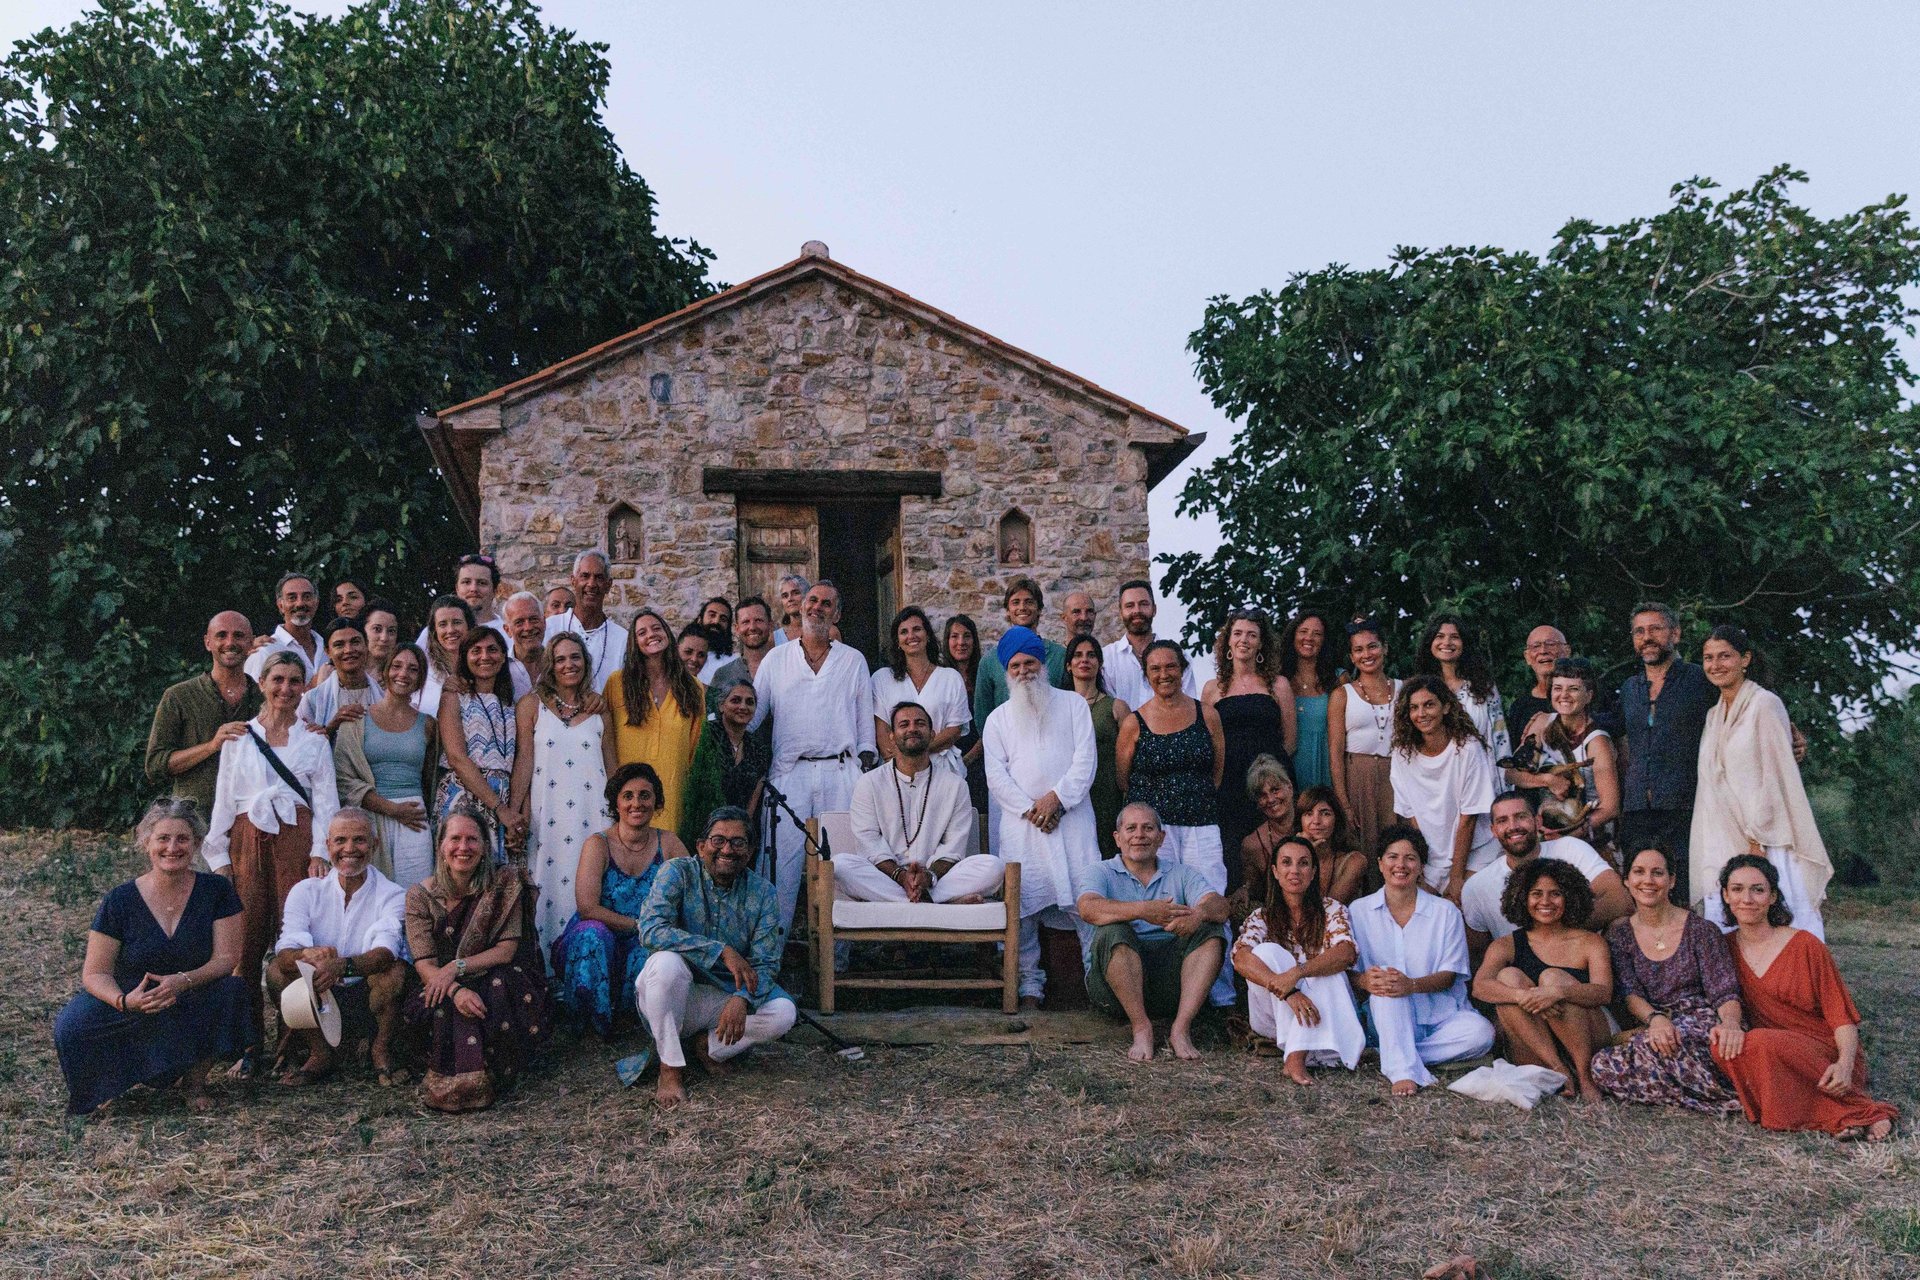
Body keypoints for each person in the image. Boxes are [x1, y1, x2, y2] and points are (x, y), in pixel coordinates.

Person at [53, 799, 252, 1115]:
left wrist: (183, 982)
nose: (172, 847)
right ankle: (105, 1086)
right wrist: (124, 1001)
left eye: (182, 839)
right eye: (163, 838)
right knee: (72, 1023)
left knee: (233, 992)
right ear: (146, 842)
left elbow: (227, 958)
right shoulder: (119, 900)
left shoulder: (217, 890)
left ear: (197, 844)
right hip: (132, 995)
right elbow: (95, 973)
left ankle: (195, 1082)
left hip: (191, 990)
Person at [202, 649, 339, 1052]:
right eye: (277, 680)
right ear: (261, 683)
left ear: (304, 688)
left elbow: (326, 803)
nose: (285, 688)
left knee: (295, 941)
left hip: (296, 840)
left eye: (294, 681)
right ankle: (246, 1047)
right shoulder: (240, 737)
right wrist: (221, 858)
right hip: (248, 841)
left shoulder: (313, 740)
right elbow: (224, 800)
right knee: (245, 944)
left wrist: (320, 852)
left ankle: (294, 1041)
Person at [1710, 854, 1895, 1140]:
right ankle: (1835, 1115)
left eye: (1758, 890)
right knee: (1724, 1045)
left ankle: (1863, 1110)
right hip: (1773, 1057)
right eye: (1737, 889)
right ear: (1725, 895)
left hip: (1824, 1055)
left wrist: (1844, 1065)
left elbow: (1842, 1019)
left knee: (1760, 1040)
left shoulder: (1806, 945)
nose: (1746, 898)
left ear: (1772, 897)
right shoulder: (1722, 949)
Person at [635, 806, 799, 1106]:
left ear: (749, 852)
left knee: (783, 1013)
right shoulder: (677, 873)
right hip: (674, 993)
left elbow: (766, 961)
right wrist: (720, 951)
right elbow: (650, 930)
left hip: (721, 998)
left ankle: (707, 1046)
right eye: (718, 840)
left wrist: (742, 999)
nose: (727, 849)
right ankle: (670, 1069)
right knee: (665, 964)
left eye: (738, 843)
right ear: (700, 846)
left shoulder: (763, 893)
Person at [983, 625, 1100, 1007]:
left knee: (1086, 904)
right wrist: (1031, 808)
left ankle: (1099, 986)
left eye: (1029, 662)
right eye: (1015, 665)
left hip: (1072, 820)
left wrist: (1057, 799)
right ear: (1006, 671)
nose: (1023, 671)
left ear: (1043, 663)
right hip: (1023, 826)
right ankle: (1029, 989)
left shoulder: (1073, 705)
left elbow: (1085, 761)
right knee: (1024, 912)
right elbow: (995, 776)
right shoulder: (997, 719)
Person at [403, 812, 551, 1113]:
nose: (463, 847)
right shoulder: (420, 896)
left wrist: (455, 969)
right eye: (454, 839)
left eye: (472, 839)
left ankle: (485, 1073)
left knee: (496, 989)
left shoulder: (505, 884)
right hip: (444, 985)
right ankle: (466, 1075)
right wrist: (455, 989)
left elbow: (506, 951)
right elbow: (424, 962)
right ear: (441, 846)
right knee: (441, 1002)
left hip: (495, 973)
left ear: (485, 845)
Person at [1693, 626, 1831, 939]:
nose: (1716, 664)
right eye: (1708, 658)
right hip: (1721, 838)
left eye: (1725, 656)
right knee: (1729, 933)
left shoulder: (1765, 704)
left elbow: (1777, 778)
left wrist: (1757, 842)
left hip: (1767, 840)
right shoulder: (1713, 715)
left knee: (1784, 927)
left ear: (1745, 659)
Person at [754, 581, 877, 929]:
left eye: (826, 604)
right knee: (780, 869)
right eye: (812, 601)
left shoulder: (853, 660)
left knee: (843, 867)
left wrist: (864, 774)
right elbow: (753, 718)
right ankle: (770, 959)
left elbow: (865, 728)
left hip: (841, 773)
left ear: (836, 613)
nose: (817, 608)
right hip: (789, 773)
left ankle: (837, 963)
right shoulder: (776, 659)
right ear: (799, 607)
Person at [1589, 842, 1744, 1113]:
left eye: (1657, 873)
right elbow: (1629, 992)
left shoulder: (1701, 930)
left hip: (1698, 1022)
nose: (1648, 880)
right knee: (1602, 1066)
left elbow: (1723, 990)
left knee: (1672, 1043)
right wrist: (1655, 1019)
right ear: (1626, 880)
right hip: (1652, 1024)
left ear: (1671, 881)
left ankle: (1699, 1087)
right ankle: (1704, 1094)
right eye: (1639, 872)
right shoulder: (1619, 934)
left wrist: (1731, 1024)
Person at [1075, 803, 1228, 1061]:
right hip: (1114, 990)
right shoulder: (1100, 871)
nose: (1139, 835)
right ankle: (1141, 1026)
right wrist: (1143, 910)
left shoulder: (1181, 873)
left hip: (1171, 985)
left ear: (1161, 838)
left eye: (1148, 828)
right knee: (1112, 931)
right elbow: (1088, 908)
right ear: (1117, 838)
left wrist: (1198, 914)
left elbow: (1221, 906)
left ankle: (1180, 1028)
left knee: (1211, 929)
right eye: (1131, 828)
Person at [1348, 825, 1495, 1095]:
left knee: (1482, 1033)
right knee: (1384, 988)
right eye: (1392, 857)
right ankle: (1403, 1072)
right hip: (1387, 1016)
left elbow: (1450, 974)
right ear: (1380, 864)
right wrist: (1366, 981)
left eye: (1410, 858)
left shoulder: (1445, 912)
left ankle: (1393, 1055)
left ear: (1421, 867)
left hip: (1441, 1018)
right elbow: (1349, 973)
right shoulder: (1358, 911)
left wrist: (1411, 985)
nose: (1400, 865)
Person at [267, 809, 409, 1086]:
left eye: (359, 840)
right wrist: (307, 956)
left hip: (367, 996)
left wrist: (340, 966)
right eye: (340, 840)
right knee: (276, 972)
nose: (349, 849)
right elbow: (285, 950)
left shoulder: (392, 893)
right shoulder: (306, 890)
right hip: (322, 996)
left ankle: (380, 1049)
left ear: (374, 845)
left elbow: (386, 952)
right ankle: (320, 1052)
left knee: (395, 971)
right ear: (328, 846)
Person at [551, 763, 687, 1038]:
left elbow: (692, 896)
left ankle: (630, 1021)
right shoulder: (597, 844)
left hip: (644, 937)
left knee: (651, 952)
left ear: (656, 801)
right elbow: (587, 907)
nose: (636, 803)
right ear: (616, 802)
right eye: (628, 796)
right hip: (600, 932)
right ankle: (590, 1023)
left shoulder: (669, 843)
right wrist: (639, 925)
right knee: (593, 935)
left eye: (645, 795)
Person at [1470, 858, 1614, 1101]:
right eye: (1536, 894)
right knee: (1507, 978)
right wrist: (1522, 995)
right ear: (1523, 898)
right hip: (1535, 1045)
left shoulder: (1591, 942)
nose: (1545, 902)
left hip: (1588, 1039)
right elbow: (1479, 987)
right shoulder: (1506, 945)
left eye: (1555, 894)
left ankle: (1585, 1075)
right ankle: (1558, 1069)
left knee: (1552, 977)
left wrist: (1559, 992)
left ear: (1569, 896)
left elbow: (1603, 993)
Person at [1233, 834, 1365, 1085]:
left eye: (1303, 863)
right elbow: (1240, 958)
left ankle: (1295, 1055)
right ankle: (1310, 1047)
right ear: (1274, 870)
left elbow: (1346, 953)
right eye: (1286, 863)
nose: (1295, 870)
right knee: (1267, 952)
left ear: (1314, 872)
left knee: (1330, 969)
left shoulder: (1332, 910)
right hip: (1272, 1015)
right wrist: (1289, 991)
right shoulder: (1261, 916)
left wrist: (1298, 973)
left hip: (1323, 1008)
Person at [840, 702, 1004, 902]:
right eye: (904, 724)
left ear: (932, 734)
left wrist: (927, 877)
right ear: (891, 736)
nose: (912, 729)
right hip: (887, 876)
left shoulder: (955, 785)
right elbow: (869, 843)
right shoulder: (869, 783)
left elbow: (953, 847)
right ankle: (933, 901)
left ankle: (912, 898)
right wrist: (901, 876)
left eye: (919, 723)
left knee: (993, 867)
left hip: (937, 878)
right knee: (840, 866)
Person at [516, 632, 617, 953]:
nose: (568, 664)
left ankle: (588, 968)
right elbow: (523, 762)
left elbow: (612, 767)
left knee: (591, 887)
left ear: (585, 663)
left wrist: (621, 820)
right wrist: (513, 812)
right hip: (547, 817)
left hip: (593, 815)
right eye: (560, 659)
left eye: (575, 657)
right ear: (550, 664)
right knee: (546, 886)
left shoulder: (600, 710)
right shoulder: (531, 705)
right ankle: (547, 972)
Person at [1617, 602, 1717, 901]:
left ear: (1675, 633)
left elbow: (1740, 702)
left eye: (1655, 629)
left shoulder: (1700, 680)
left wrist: (1789, 729)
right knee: (1640, 895)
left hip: (1684, 805)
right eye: (1639, 631)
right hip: (1636, 810)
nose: (1647, 637)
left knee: (1682, 892)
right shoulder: (1630, 688)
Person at [1462, 793, 1631, 958]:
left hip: (1578, 958)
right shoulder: (1477, 886)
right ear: (1493, 830)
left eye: (1521, 816)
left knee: (1621, 925)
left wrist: (1558, 937)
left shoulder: (1570, 849)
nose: (1513, 826)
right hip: (1519, 974)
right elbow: (1478, 954)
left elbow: (1620, 899)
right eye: (1502, 820)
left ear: (1537, 821)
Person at [333, 644, 439, 888]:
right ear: (385, 671)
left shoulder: (428, 725)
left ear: (420, 678)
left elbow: (430, 779)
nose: (403, 674)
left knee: (416, 892)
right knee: (370, 891)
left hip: (414, 817)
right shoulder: (357, 720)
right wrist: (391, 809)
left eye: (413, 669)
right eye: (397, 666)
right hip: (368, 816)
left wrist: (404, 811)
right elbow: (343, 779)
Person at [1201, 609, 1296, 879]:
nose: (1244, 639)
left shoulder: (1278, 685)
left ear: (1261, 643)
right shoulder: (1212, 689)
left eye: (1252, 635)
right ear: (1228, 641)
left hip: (1270, 782)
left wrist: (1269, 773)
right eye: (1238, 633)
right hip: (1229, 784)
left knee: (1277, 850)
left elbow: (1289, 741)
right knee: (1233, 852)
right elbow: (1208, 741)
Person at [1390, 675, 1501, 901]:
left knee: (1465, 906)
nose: (1421, 714)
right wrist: (1422, 864)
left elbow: (1469, 816)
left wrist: (1457, 876)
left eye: (1429, 704)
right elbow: (1412, 817)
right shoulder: (1402, 753)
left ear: (1447, 707)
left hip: (1474, 852)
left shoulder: (1467, 748)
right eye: (1414, 708)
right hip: (1431, 858)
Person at [145, 610, 263, 819]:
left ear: (251, 643)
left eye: (239, 635)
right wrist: (211, 746)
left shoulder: (265, 698)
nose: (230, 642)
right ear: (208, 642)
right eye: (221, 635)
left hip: (252, 819)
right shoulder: (179, 696)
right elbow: (155, 766)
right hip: (195, 821)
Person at [604, 609, 706, 839]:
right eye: (642, 632)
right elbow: (605, 739)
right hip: (628, 798)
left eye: (657, 628)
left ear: (667, 633)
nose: (651, 634)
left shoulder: (693, 687)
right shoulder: (616, 684)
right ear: (634, 642)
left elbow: (693, 748)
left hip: (672, 795)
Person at [435, 627, 527, 864]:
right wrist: (500, 809)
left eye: (492, 650)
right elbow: (457, 757)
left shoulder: (510, 703)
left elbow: (520, 760)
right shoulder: (454, 696)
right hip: (464, 795)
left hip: (503, 799)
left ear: (503, 656)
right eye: (476, 651)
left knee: (497, 881)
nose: (485, 656)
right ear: (465, 658)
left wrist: (513, 815)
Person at [1512, 657, 1621, 849]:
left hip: (1589, 837)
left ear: (1588, 695)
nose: (1564, 695)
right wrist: (1548, 780)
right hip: (1546, 830)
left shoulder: (1597, 741)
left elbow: (1610, 807)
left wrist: (1568, 835)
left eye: (1573, 689)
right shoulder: (1541, 723)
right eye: (1557, 688)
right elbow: (1512, 773)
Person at [1327, 617, 1401, 857]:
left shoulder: (1404, 689)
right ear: (1351, 657)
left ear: (1385, 648)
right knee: (1364, 845)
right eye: (1358, 650)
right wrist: (1344, 803)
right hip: (1358, 775)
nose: (1366, 654)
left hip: (1397, 774)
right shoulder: (1342, 695)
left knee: (1397, 841)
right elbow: (1336, 753)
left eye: (1372, 646)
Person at [871, 605, 970, 775]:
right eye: (904, 632)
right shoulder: (882, 678)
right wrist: (905, 762)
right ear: (897, 642)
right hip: (896, 771)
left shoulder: (950, 678)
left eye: (917, 629)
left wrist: (915, 753)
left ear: (928, 636)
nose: (911, 636)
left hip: (942, 770)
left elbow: (954, 730)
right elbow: (882, 731)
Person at [681, 679, 772, 848]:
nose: (743, 707)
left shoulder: (758, 749)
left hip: (736, 834)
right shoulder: (705, 735)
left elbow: (754, 798)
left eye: (750, 702)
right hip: (700, 827)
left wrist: (743, 831)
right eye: (736, 700)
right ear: (721, 705)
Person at [1413, 614, 1510, 770]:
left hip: (1480, 774)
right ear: (1430, 642)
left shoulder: (1483, 687)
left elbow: (1499, 739)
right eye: (1440, 636)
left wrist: (1502, 786)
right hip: (1436, 777)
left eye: (1454, 637)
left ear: (1464, 643)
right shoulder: (1419, 689)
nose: (1447, 642)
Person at [1065, 634, 1129, 860]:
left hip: (1107, 795)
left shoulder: (1117, 707)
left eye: (1091, 655)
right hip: (1071, 797)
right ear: (1068, 665)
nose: (1084, 660)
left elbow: (1129, 758)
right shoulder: (1058, 708)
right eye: (1078, 655)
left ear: (1100, 664)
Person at [974, 577, 1070, 721]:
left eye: (1029, 602)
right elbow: (983, 716)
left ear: (1039, 609)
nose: (1022, 607)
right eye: (1015, 602)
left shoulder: (1060, 656)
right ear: (1008, 610)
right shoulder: (989, 662)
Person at [1102, 579, 1196, 710]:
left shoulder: (1178, 657)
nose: (1137, 611)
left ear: (1154, 609)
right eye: (1130, 606)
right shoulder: (1106, 659)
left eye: (1143, 604)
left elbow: (1188, 705)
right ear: (1120, 612)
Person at [543, 550, 619, 692]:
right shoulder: (549, 628)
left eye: (599, 577)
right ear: (573, 580)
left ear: (608, 585)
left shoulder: (622, 639)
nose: (591, 584)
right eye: (585, 576)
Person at [1281, 610, 1340, 789]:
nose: (1309, 638)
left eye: (1317, 634)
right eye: (1303, 631)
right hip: (1288, 769)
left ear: (1324, 641)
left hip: (1329, 767)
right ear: (1293, 636)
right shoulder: (1278, 681)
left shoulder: (1338, 679)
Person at [297, 615, 378, 733]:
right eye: (339, 645)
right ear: (327, 652)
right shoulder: (313, 699)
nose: (349, 650)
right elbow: (300, 744)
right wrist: (330, 727)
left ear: (366, 645)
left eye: (355, 642)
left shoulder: (382, 695)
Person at [943, 613, 990, 816]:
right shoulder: (940, 676)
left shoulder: (984, 675)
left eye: (967, 636)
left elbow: (990, 721)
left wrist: (970, 758)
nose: (961, 642)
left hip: (979, 761)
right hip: (946, 762)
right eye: (955, 636)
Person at [1237, 757, 1298, 907]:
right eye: (1262, 795)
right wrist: (1245, 889)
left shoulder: (1312, 823)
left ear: (1289, 787)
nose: (1270, 799)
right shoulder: (1252, 844)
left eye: (1275, 790)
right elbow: (1252, 888)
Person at [704, 596, 775, 720]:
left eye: (758, 620)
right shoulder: (724, 674)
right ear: (737, 629)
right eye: (745, 622)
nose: (752, 627)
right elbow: (712, 718)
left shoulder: (787, 668)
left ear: (770, 625)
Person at [414, 552, 508, 647]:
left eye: (482, 583)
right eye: (466, 582)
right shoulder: (433, 633)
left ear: (495, 591)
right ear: (457, 588)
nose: (473, 589)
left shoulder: (508, 633)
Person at [1297, 782, 1368, 905]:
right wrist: (1302, 855)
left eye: (1325, 813)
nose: (1316, 821)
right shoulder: (1287, 859)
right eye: (1309, 814)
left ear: (1337, 819)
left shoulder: (1355, 861)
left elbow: (1330, 910)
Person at [244, 572, 323, 683]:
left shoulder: (328, 648)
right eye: (292, 598)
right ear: (281, 605)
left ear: (316, 603)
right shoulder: (264, 652)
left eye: (307, 597)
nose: (300, 603)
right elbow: (252, 698)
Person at [1505, 625, 1570, 753]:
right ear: (1527, 657)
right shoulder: (1520, 707)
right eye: (1536, 646)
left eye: (1551, 644)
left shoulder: (1586, 695)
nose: (1543, 651)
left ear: (1567, 651)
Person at [416, 594, 473, 715]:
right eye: (443, 624)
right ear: (434, 630)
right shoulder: (422, 670)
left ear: (469, 625)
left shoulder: (482, 665)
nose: (450, 630)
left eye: (457, 622)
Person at [500, 589, 546, 698]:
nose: (528, 627)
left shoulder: (561, 664)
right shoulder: (500, 669)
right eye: (519, 622)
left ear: (544, 622)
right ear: (507, 630)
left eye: (533, 619)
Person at [697, 597, 735, 681]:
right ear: (699, 620)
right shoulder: (680, 657)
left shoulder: (732, 663)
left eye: (723, 619)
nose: (716, 621)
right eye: (712, 615)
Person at [773, 572, 810, 645]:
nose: (790, 599)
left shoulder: (825, 631)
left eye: (796, 593)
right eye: (785, 596)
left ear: (807, 596)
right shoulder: (774, 638)